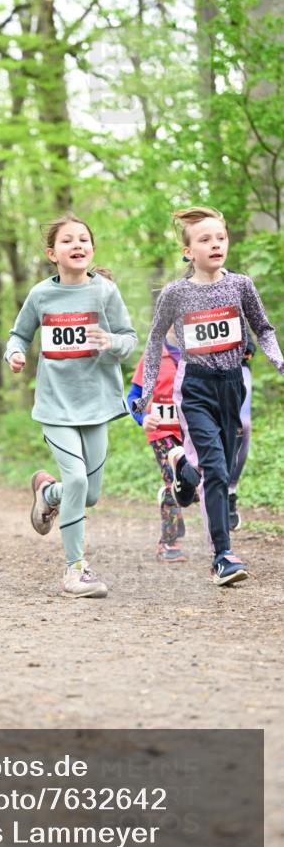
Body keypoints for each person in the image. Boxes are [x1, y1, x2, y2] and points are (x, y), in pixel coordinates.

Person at [133, 206, 284, 586]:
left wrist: (280, 362)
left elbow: (263, 329)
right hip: (196, 387)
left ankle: (183, 468)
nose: (216, 244)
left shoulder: (241, 285)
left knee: (221, 466)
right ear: (188, 252)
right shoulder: (176, 294)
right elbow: (154, 342)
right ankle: (223, 557)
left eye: (221, 237)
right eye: (205, 239)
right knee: (216, 468)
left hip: (233, 384)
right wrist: (147, 391)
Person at [6, 214, 136, 598]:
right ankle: (74, 571)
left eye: (83, 239)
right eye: (67, 241)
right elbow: (18, 335)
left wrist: (110, 342)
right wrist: (14, 354)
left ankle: (47, 494)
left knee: (89, 493)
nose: (77, 245)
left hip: (96, 405)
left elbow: (129, 339)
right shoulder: (41, 295)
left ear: (92, 250)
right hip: (55, 405)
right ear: (52, 253)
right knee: (77, 481)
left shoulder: (105, 292)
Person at [128, 329, 187, 562]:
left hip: (193, 431)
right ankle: (168, 542)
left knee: (194, 485)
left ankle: (174, 497)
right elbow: (133, 396)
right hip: (162, 431)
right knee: (173, 479)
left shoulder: (199, 351)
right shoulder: (153, 355)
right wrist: (143, 418)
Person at [228, 337, 255, 531]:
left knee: (242, 427)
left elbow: (249, 340)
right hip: (205, 374)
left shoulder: (237, 307)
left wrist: (248, 349)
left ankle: (230, 492)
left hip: (239, 371)